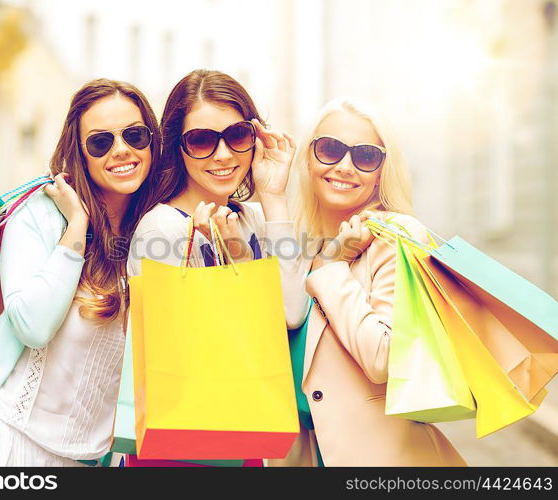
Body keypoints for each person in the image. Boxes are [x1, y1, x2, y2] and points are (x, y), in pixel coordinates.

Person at [0, 78, 163, 466]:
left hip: (88, 460)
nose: (121, 150)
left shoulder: (154, 230)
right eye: (100, 142)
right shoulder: (40, 216)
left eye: (135, 135)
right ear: (80, 153)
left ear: (152, 142)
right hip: (6, 446)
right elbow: (32, 326)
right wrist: (77, 226)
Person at [271, 97, 467, 466]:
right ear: (309, 158)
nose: (344, 167)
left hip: (381, 460)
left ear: (382, 170)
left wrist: (334, 268)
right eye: (329, 149)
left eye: (365, 156)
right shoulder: (299, 246)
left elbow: (383, 357)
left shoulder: (397, 236)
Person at [123, 69, 303, 466]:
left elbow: (291, 312)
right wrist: (226, 263)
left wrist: (274, 198)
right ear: (177, 148)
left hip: (242, 433)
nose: (223, 155)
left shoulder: (255, 218)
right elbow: (182, 351)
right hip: (181, 440)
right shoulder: (163, 228)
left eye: (237, 136)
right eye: (202, 140)